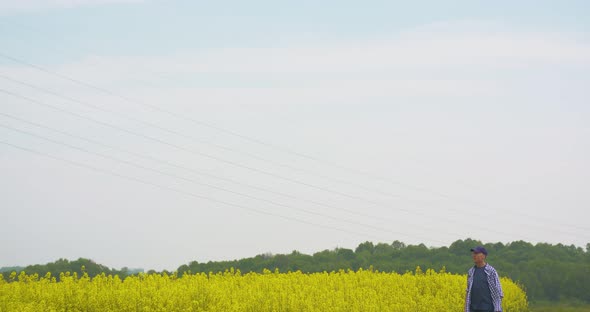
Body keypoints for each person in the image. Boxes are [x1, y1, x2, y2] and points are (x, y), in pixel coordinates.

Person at [464, 246, 504, 312]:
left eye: (476, 253)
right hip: (473, 309)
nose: (474, 255)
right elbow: (468, 291)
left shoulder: (491, 271)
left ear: (483, 256)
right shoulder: (471, 272)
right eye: (473, 254)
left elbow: (498, 292)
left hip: (488, 309)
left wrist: (497, 309)